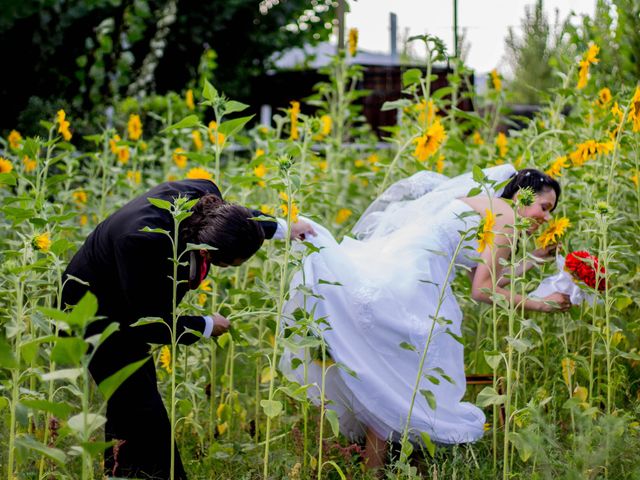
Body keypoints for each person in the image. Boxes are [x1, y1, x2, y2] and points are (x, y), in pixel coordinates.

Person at [280, 165, 571, 469]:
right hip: (413, 280)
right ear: (522, 196)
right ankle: (382, 465)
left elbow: (489, 279)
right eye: (544, 207)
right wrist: (542, 305)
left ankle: (376, 466)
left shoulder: (487, 205)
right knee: (409, 368)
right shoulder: (507, 216)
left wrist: (535, 261)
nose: (547, 217)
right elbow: (483, 291)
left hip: (398, 267)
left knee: (394, 370)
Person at [60, 179, 315, 479]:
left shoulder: (206, 196)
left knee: (133, 399)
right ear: (208, 253)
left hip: (131, 298)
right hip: (92, 308)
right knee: (141, 407)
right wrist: (205, 325)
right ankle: (138, 471)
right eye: (230, 265)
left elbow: (240, 218)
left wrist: (285, 228)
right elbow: (151, 324)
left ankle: (120, 469)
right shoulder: (142, 241)